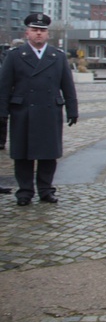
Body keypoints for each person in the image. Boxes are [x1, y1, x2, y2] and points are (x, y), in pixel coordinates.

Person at [0, 13, 78, 206]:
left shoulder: (57, 56)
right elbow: (3, 86)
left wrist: (72, 109)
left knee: (48, 154)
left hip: (49, 110)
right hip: (22, 111)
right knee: (22, 155)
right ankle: (25, 191)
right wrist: (2, 112)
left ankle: (46, 189)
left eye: (42, 31)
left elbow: (67, 85)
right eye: (35, 30)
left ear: (47, 34)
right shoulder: (15, 56)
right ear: (27, 33)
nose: (38, 34)